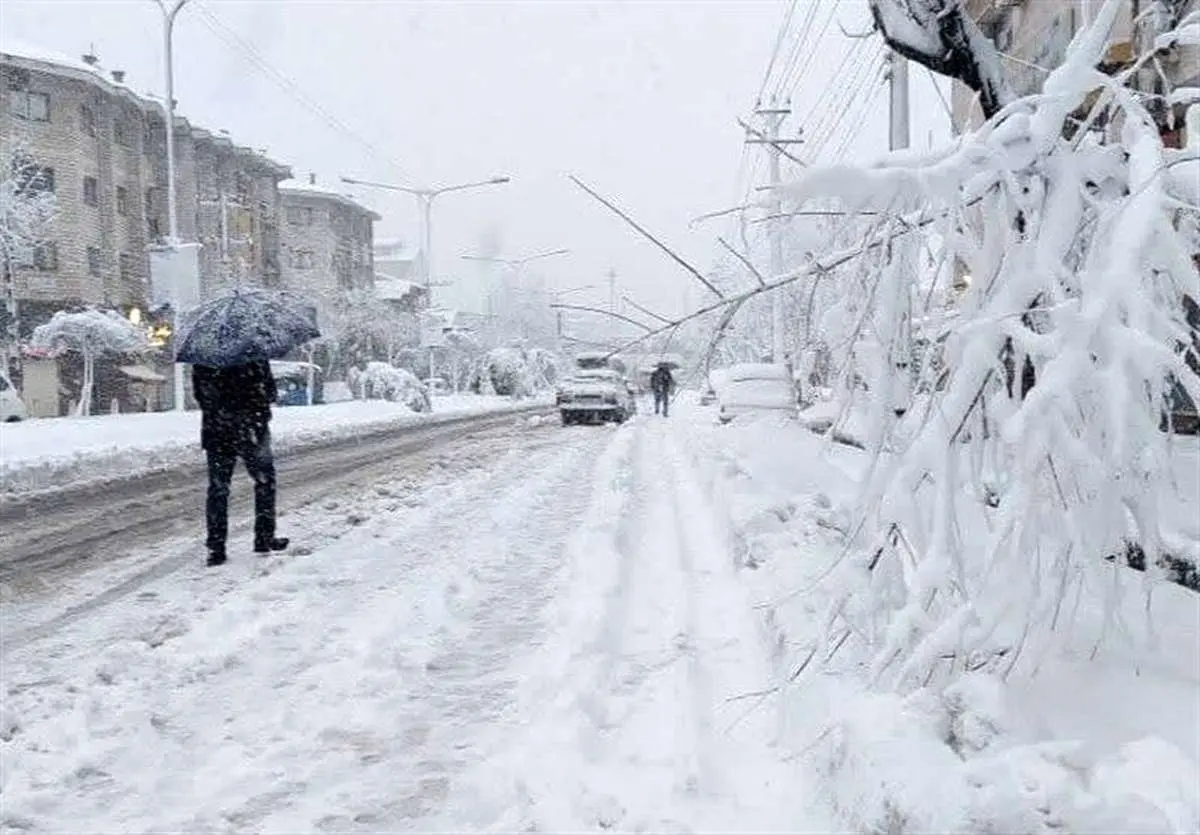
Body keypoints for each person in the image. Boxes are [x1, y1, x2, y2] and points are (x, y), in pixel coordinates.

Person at [193, 359, 289, 567]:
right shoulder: (254, 356)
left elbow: (201, 396)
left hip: (217, 431)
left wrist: (221, 409)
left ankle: (216, 547)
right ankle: (264, 537)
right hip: (251, 429)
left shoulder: (205, 359)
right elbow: (269, 393)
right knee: (264, 482)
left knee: (218, 489)